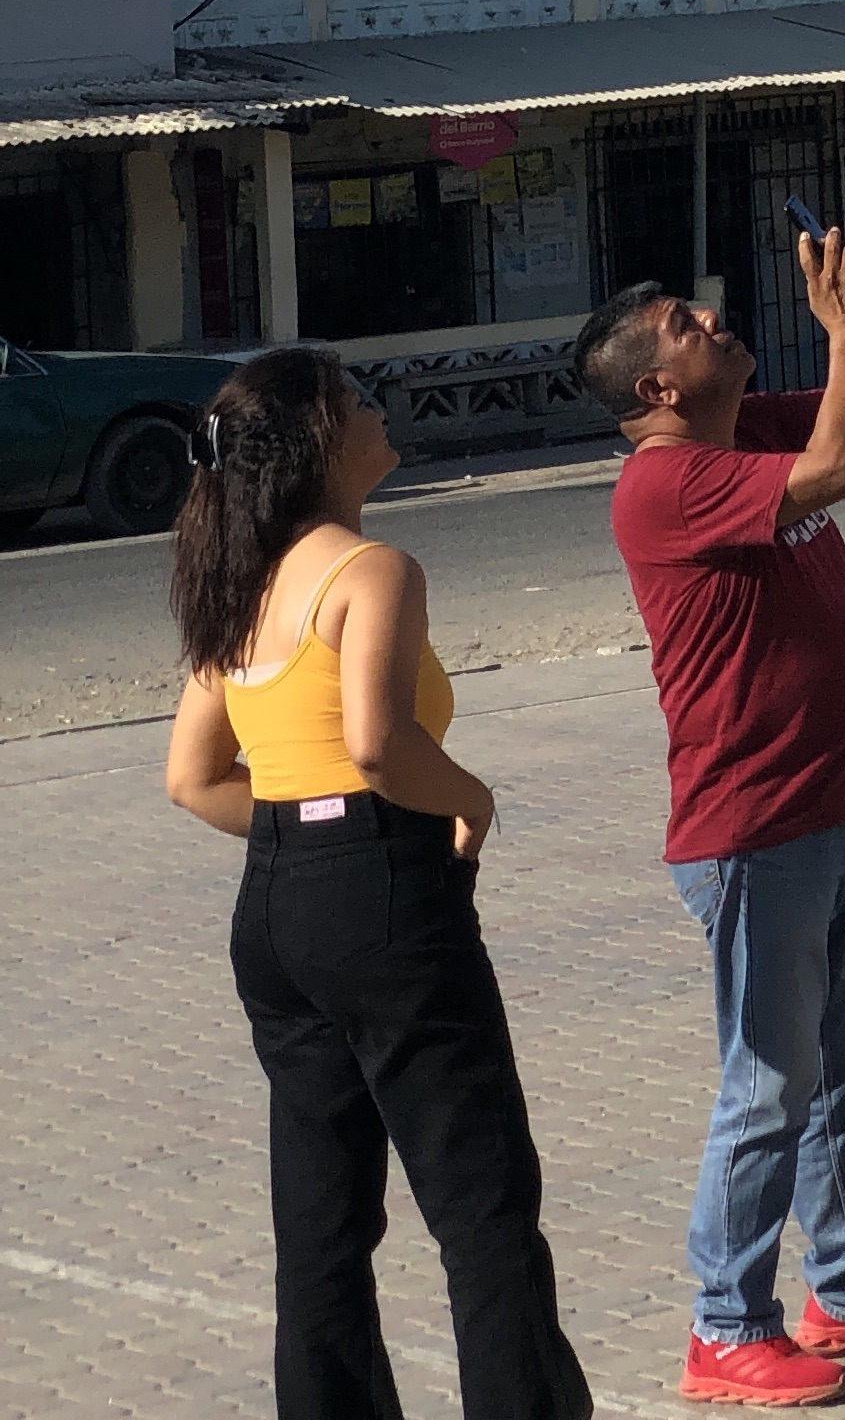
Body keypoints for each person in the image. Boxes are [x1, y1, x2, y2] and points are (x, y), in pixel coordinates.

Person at [574, 232, 845, 1409]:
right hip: (753, 833)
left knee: (836, 1066)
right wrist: (840, 328)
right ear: (658, 387)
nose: (715, 319)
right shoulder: (663, 484)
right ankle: (725, 1327)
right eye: (686, 325)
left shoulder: (740, 430)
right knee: (765, 1087)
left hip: (826, 808)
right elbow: (839, 467)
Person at [163, 345, 592, 1420]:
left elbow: (193, 779)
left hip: (277, 903)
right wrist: (467, 798)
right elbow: (375, 742)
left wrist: (301, 840)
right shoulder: (370, 571)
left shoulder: (239, 581)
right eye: (356, 400)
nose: (377, 411)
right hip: (386, 893)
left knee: (322, 1225)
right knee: (483, 1203)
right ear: (318, 440)